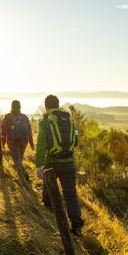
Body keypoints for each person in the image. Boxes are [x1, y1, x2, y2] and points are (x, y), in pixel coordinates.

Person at [35, 95, 85, 236]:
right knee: (70, 194)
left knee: (49, 190)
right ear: (58, 105)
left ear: (46, 106)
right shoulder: (70, 120)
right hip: (69, 162)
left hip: (52, 163)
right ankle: (77, 226)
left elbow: (41, 146)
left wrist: (39, 165)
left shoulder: (45, 122)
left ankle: (49, 216)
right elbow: (75, 141)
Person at [0, 100, 34, 168]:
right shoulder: (25, 117)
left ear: (12, 107)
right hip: (24, 142)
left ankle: (25, 175)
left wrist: (3, 143)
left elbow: (4, 130)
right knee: (19, 160)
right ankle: (21, 176)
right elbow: (29, 131)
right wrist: (32, 144)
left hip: (12, 142)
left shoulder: (8, 117)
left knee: (17, 161)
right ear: (20, 107)